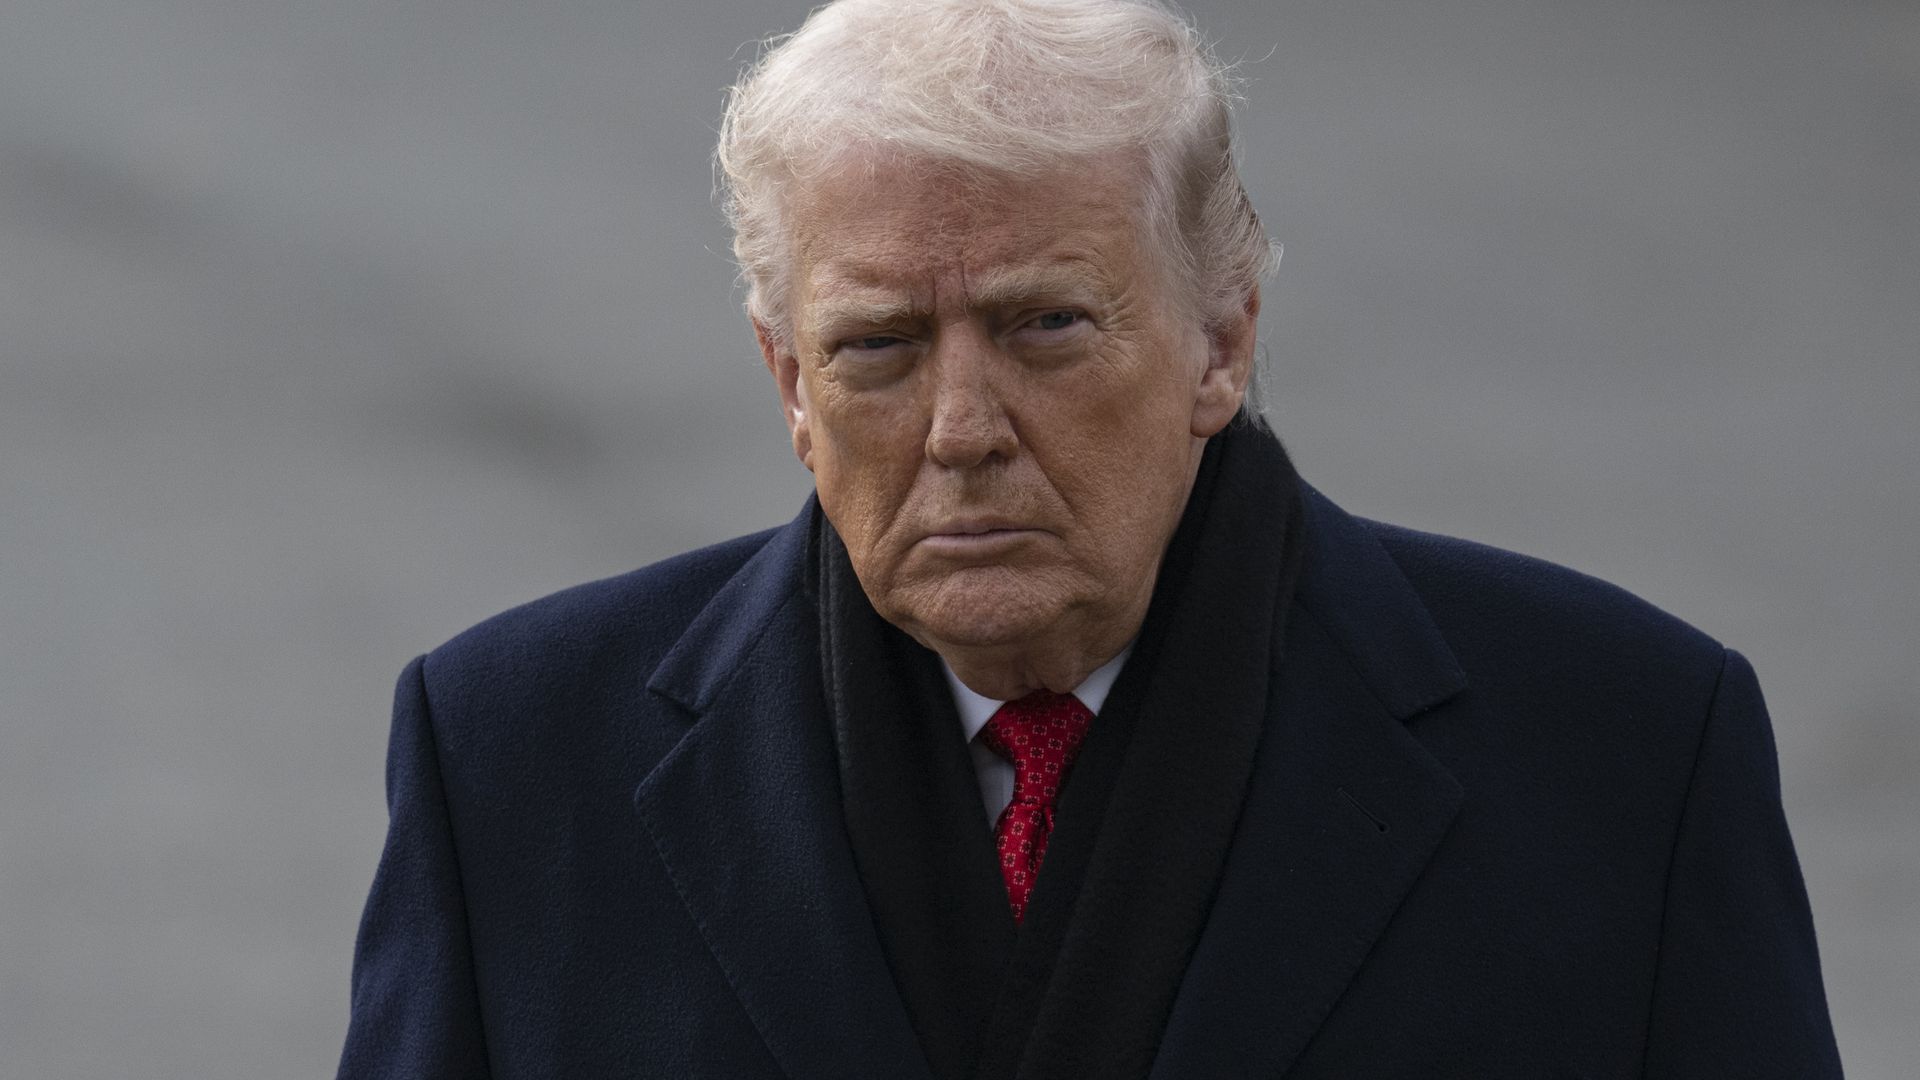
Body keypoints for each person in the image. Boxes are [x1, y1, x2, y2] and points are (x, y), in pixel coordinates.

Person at [336, 1, 1842, 1076]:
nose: (961, 426)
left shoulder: (1626, 755)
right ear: (788, 383)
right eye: (876, 348)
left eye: (1044, 325)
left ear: (1222, 338)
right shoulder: (515, 765)